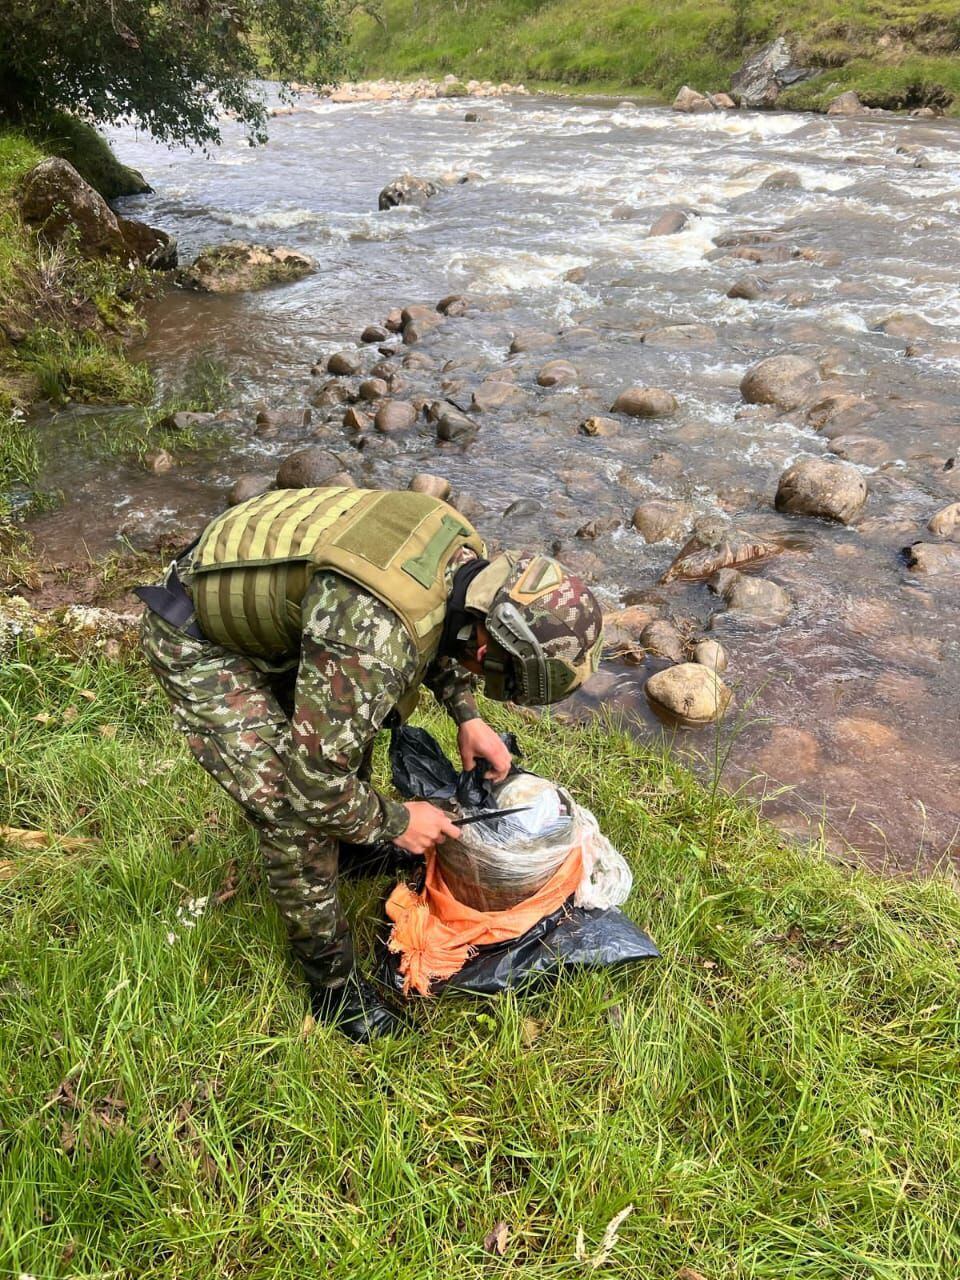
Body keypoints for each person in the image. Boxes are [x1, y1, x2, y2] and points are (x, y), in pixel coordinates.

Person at [138, 484, 604, 1041]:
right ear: (491, 647)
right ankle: (334, 993)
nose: (483, 676)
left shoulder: (465, 558)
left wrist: (466, 715)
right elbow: (312, 787)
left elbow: (442, 628)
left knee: (346, 743)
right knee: (294, 815)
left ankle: (353, 855)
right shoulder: (372, 636)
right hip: (197, 635)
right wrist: (398, 821)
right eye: (493, 674)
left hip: (294, 611)